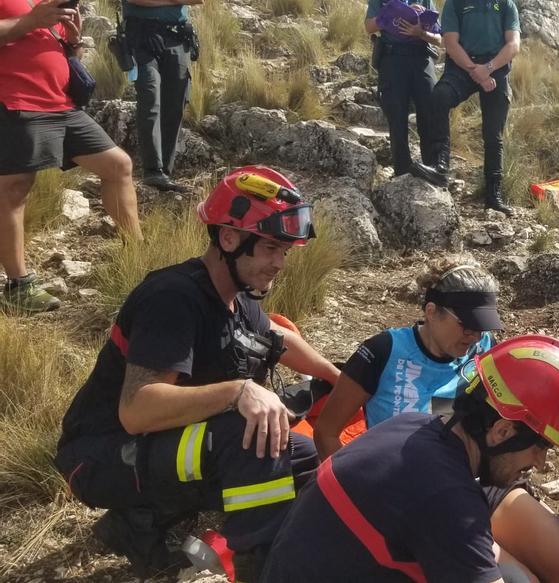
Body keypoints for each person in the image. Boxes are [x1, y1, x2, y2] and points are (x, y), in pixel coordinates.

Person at [54, 166, 341, 580]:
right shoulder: (173, 298)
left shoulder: (236, 299)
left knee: (301, 455)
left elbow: (275, 337)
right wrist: (239, 391)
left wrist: (341, 378)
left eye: (285, 252)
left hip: (144, 451)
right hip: (99, 459)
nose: (280, 263)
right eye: (271, 249)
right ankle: (258, 567)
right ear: (228, 238)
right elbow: (137, 410)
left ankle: (140, 522)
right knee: (254, 440)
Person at [262, 335, 559, 583]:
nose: (541, 463)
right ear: (501, 432)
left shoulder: (416, 427)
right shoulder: (446, 495)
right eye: (539, 448)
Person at [0, 0, 143, 313]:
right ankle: (19, 286)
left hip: (62, 105)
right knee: (14, 189)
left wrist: (74, 41)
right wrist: (29, 22)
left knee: (118, 165)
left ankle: (136, 256)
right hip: (16, 101)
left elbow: (67, 57)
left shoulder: (46, 2)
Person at [313, 261, 498, 459]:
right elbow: (326, 432)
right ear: (431, 311)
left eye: (482, 327)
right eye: (468, 326)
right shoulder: (382, 350)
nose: (476, 337)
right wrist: (351, 485)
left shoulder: (486, 349)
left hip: (456, 475)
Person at [408, 0, 520, 216]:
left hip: (496, 67)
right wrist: (475, 71)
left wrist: (488, 69)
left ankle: (493, 196)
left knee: (493, 134)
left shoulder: (506, 5)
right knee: (439, 97)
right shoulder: (455, 4)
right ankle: (440, 168)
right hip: (462, 66)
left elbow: (513, 45)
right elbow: (450, 43)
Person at [124, 0, 200, 192]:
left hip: (177, 35)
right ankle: (153, 171)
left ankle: (166, 171)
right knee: (150, 97)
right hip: (141, 36)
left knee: (176, 102)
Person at [365, 0, 441, 177]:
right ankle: (402, 172)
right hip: (392, 58)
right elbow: (369, 26)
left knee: (430, 111)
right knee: (397, 116)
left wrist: (421, 32)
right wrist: (393, 14)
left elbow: (440, 38)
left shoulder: (425, 1)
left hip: (421, 58)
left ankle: (432, 168)